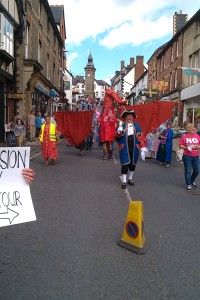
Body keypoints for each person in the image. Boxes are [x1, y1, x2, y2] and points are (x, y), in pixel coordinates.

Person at [115, 110, 147, 189]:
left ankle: (130, 179)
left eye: (131, 116)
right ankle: (124, 181)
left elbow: (140, 136)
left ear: (133, 117)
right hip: (124, 146)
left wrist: (143, 147)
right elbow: (116, 137)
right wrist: (119, 132)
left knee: (133, 163)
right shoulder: (121, 125)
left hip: (134, 147)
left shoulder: (136, 125)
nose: (129, 117)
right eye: (128, 116)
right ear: (125, 117)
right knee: (125, 163)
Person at [179, 123, 200, 192]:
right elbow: (180, 145)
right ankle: (188, 184)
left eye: (193, 127)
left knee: (197, 170)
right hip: (187, 156)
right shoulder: (184, 136)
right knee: (188, 171)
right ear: (187, 129)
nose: (192, 129)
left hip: (196, 156)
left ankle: (192, 180)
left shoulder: (197, 136)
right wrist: (187, 147)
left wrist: (197, 147)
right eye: (191, 128)